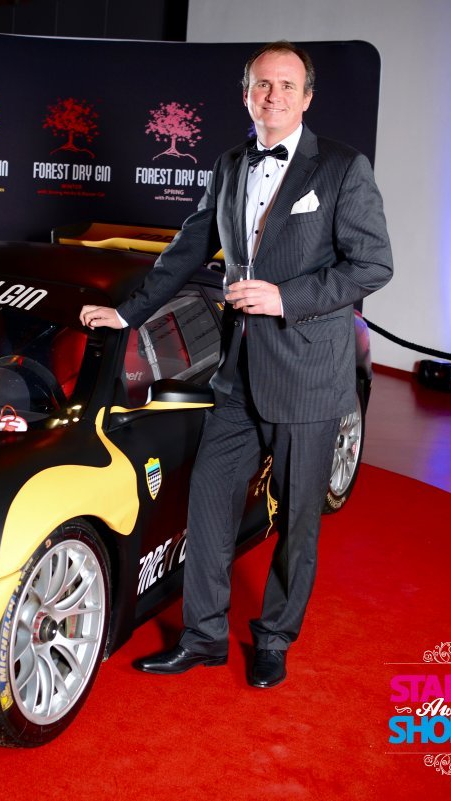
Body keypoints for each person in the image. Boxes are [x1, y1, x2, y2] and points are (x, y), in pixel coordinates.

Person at [79, 41, 392, 688]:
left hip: (307, 375)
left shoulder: (342, 168)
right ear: (246, 94)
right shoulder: (227, 165)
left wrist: (286, 298)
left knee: (298, 520)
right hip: (237, 372)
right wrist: (128, 314)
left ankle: (274, 638)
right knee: (209, 507)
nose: (273, 95)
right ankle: (203, 637)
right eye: (261, 84)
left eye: (286, 85)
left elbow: (372, 265)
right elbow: (187, 248)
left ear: (307, 98)